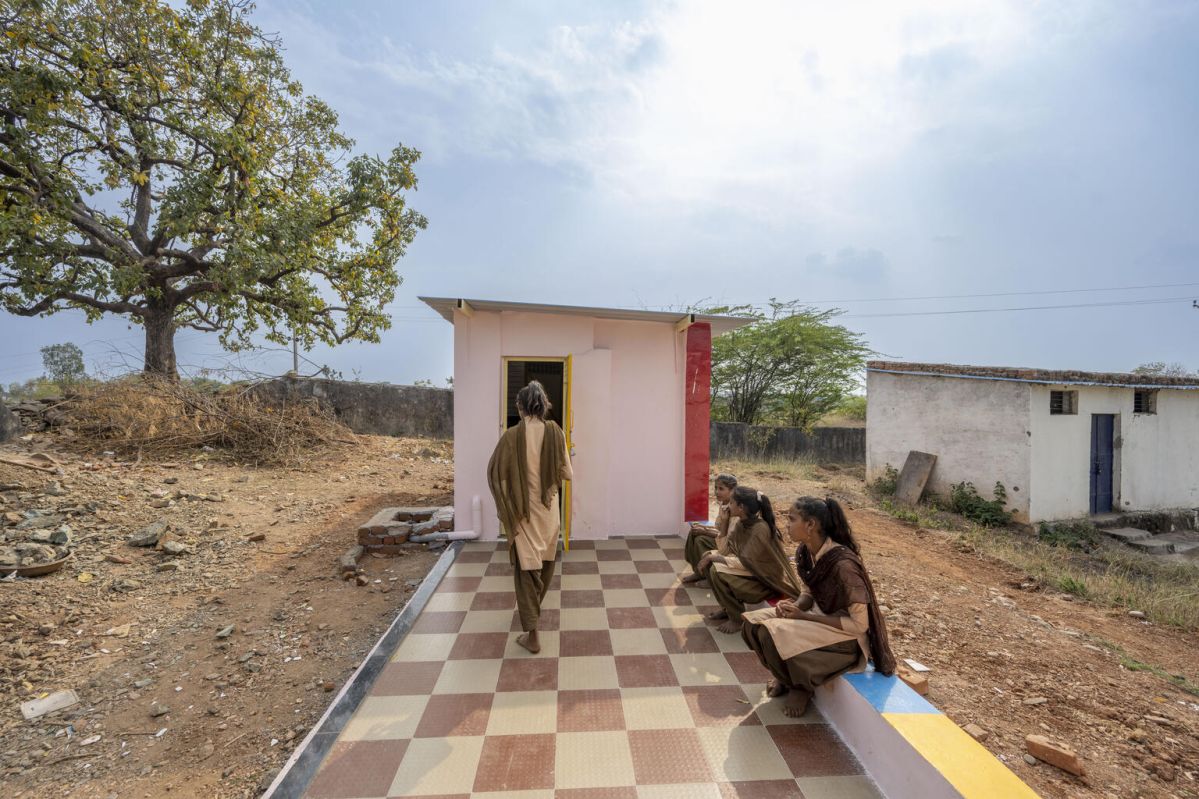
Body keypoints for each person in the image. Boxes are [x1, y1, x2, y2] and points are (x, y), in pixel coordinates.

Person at [741, 496, 896, 717]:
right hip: (816, 618)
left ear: (810, 525)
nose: (787, 524)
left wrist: (803, 617)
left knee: (771, 631)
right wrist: (794, 606)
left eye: (792, 519)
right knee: (752, 623)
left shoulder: (843, 566)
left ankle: (801, 688)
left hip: (845, 637)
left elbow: (859, 625)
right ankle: (785, 678)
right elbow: (808, 591)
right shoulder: (806, 552)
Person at [486, 381, 573, 654]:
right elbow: (568, 474)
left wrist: (513, 488)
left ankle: (533, 635)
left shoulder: (511, 437)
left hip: (524, 516)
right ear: (544, 404)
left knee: (526, 572)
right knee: (544, 567)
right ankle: (532, 615)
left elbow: (493, 472)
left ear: (520, 407)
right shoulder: (556, 432)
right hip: (550, 515)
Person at [700, 487, 802, 634]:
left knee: (716, 570)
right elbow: (724, 550)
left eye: (732, 503)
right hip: (752, 572)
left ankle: (736, 619)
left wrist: (715, 557)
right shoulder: (742, 523)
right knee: (710, 559)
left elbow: (746, 562)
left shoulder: (760, 528)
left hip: (766, 581)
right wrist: (724, 524)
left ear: (741, 507)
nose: (729, 506)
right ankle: (728, 609)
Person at [682, 473, 738, 585]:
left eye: (721, 489)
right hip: (722, 539)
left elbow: (727, 536)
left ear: (732, 491)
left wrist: (705, 531)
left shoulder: (736, 508)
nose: (717, 492)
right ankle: (698, 572)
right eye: (715, 488)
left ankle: (710, 578)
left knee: (700, 540)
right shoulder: (723, 504)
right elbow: (718, 527)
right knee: (694, 532)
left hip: (732, 546)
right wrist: (703, 527)